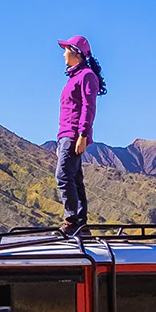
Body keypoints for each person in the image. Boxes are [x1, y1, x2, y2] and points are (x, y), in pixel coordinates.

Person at [55, 36, 107, 236]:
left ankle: (72, 221)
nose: (63, 54)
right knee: (74, 177)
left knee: (63, 176)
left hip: (74, 133)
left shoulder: (86, 76)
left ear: (76, 52)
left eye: (66, 49)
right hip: (66, 134)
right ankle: (80, 224)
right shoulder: (74, 78)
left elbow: (88, 106)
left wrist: (83, 134)